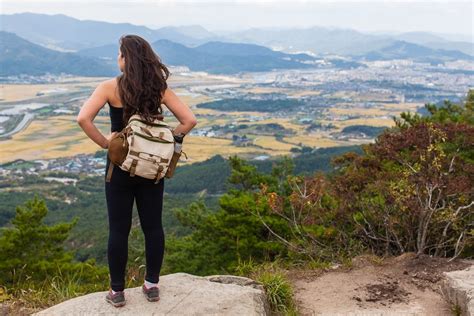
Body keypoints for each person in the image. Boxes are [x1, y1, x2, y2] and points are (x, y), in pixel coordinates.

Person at [76, 34, 197, 307]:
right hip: (151, 166)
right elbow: (189, 120)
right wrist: (168, 141)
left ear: (125, 58)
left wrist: (108, 144)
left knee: (118, 229)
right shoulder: (159, 89)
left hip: (119, 166)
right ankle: (152, 285)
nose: (117, 58)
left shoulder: (109, 87)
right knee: (153, 226)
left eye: (119, 54)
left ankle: (117, 292)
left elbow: (83, 118)